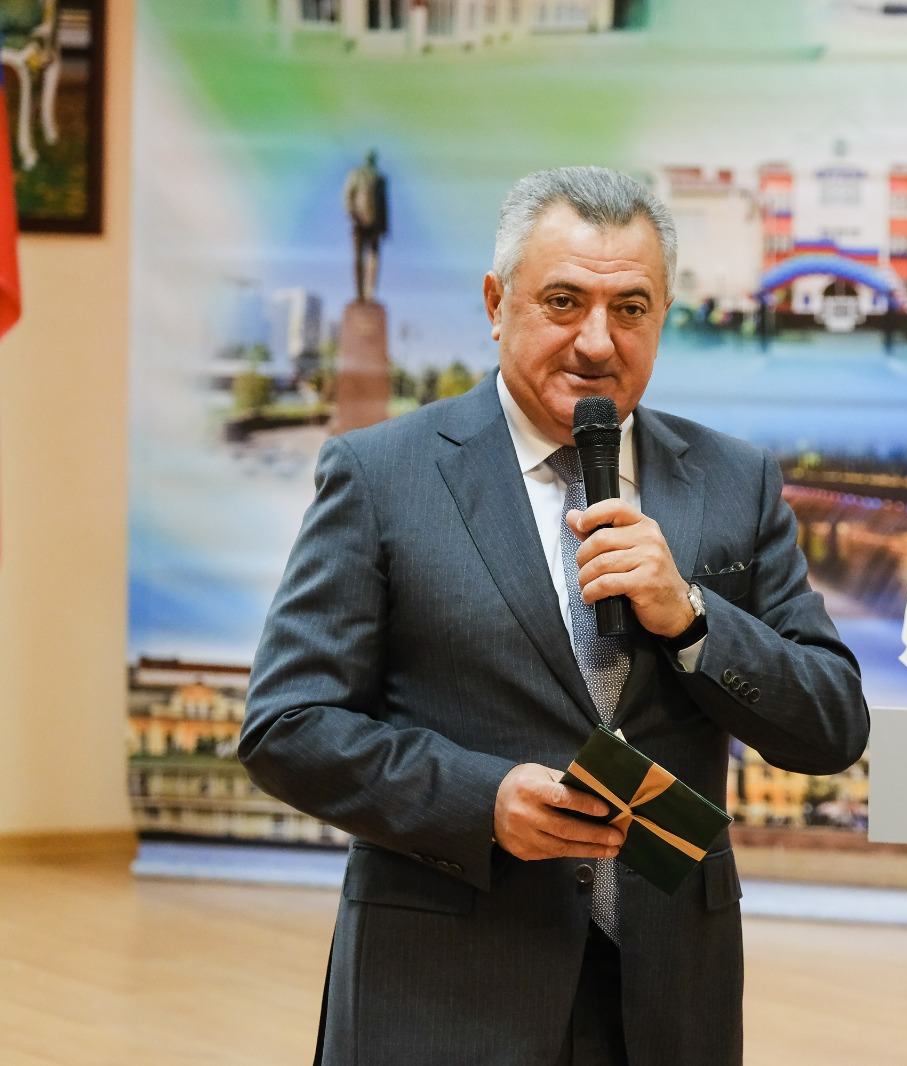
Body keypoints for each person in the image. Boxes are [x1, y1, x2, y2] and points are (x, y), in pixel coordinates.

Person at [241, 166, 869, 1066]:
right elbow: (287, 726)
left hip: (665, 1003)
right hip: (447, 996)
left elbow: (832, 724)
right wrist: (481, 802)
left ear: (664, 315)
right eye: (564, 301)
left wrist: (692, 619)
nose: (596, 342)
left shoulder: (736, 483)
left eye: (631, 308)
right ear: (497, 304)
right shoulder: (382, 478)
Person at [343, 149, 388, 302]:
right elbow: (348, 194)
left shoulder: (381, 178)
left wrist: (385, 225)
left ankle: (370, 294)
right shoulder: (356, 173)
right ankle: (359, 294)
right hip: (359, 220)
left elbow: (384, 203)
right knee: (358, 258)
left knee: (374, 258)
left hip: (376, 224)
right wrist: (351, 212)